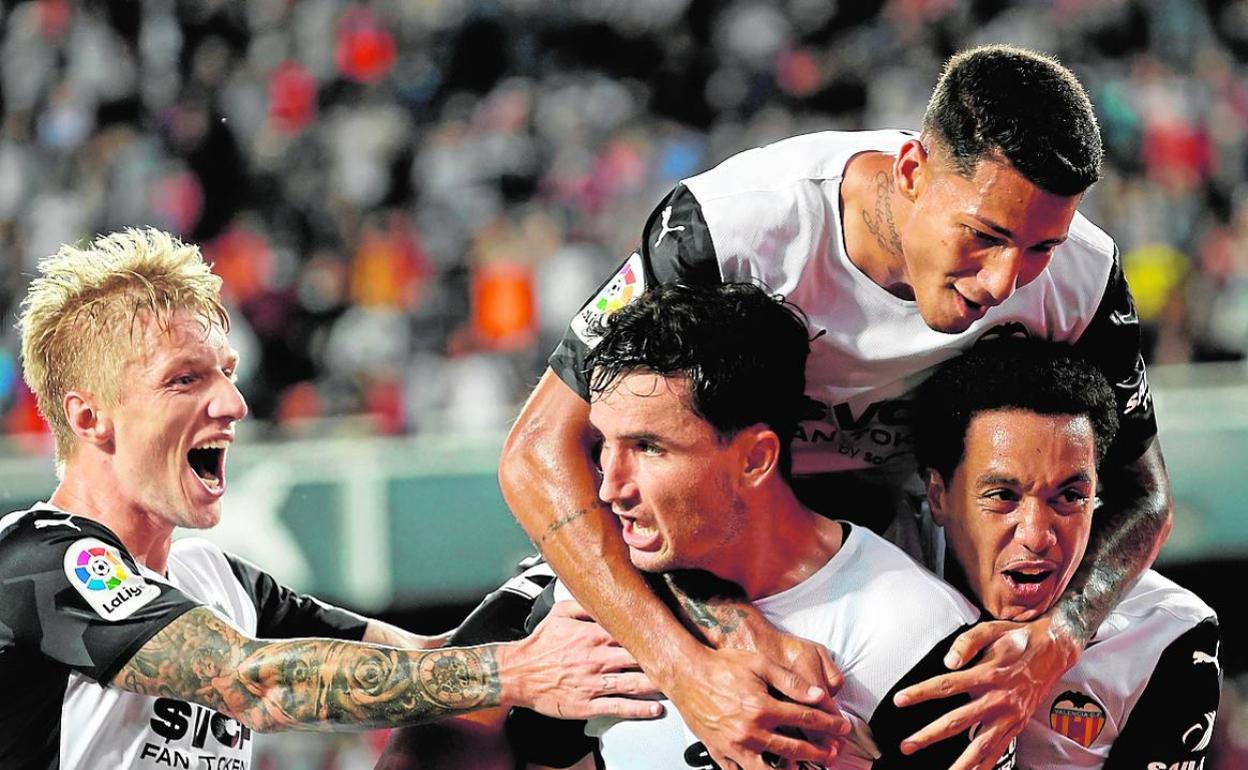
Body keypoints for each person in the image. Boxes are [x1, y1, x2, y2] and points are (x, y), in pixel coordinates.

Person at [489, 43, 1172, 770]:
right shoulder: (732, 229)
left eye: (1041, 248)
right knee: (451, 733)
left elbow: (1143, 489)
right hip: (708, 543)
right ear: (912, 171)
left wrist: (1059, 637)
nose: (1005, 280)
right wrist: (688, 664)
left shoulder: (1084, 275)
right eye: (986, 236)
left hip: (904, 560)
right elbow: (538, 452)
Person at [0, 228, 660, 770]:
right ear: (89, 419)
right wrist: (517, 668)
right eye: (185, 379)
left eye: (227, 374)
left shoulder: (216, 581)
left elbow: (418, 669)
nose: (233, 403)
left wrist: (541, 597)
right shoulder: (39, 560)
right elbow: (255, 683)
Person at [419, 281, 983, 770]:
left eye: (648, 448)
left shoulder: (919, 633)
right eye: (604, 445)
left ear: (755, 459)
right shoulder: (586, 602)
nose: (610, 487)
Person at [908, 341, 1219, 769]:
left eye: (1070, 496)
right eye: (1002, 496)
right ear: (938, 496)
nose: (1037, 537)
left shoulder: (1169, 632)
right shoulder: (871, 574)